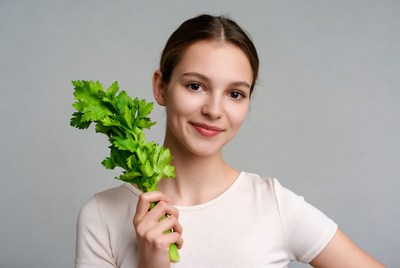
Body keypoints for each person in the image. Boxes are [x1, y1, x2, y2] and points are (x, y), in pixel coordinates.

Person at [75, 14, 385, 268]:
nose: (213, 110)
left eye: (235, 94)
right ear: (160, 87)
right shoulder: (103, 215)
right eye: (195, 86)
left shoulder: (273, 206)